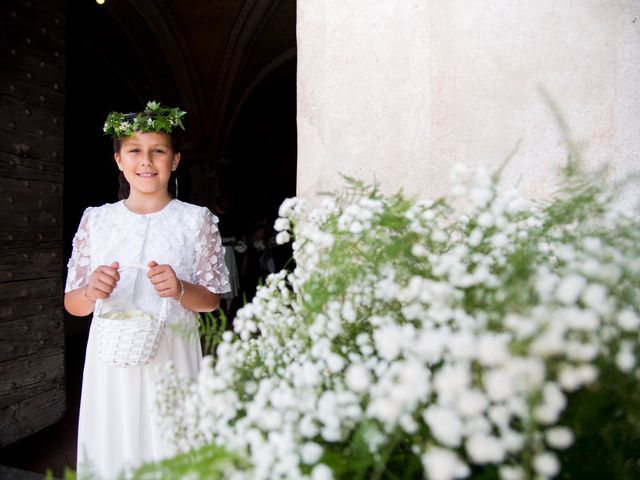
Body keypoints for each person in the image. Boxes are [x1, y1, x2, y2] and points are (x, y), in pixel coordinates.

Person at [63, 101, 230, 479]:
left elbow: (212, 300)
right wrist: (91, 291)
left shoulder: (195, 220)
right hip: (111, 360)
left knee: (170, 446)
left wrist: (181, 288)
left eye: (158, 151)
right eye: (135, 150)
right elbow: (73, 304)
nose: (146, 161)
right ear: (119, 160)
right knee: (114, 448)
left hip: (172, 354)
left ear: (175, 161)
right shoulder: (97, 219)